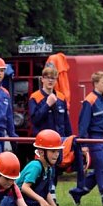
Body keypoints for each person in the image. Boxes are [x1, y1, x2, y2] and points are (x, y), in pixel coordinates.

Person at [27, 63, 73, 198]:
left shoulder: (61, 97)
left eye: (53, 78)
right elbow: (34, 119)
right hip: (42, 142)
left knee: (56, 169)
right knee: (43, 169)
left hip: (59, 141)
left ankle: (51, 195)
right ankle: (43, 195)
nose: (50, 81)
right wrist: (47, 104)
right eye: (47, 78)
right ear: (42, 79)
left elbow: (66, 121)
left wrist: (69, 139)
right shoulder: (35, 97)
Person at [70, 71, 103, 206]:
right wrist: (84, 143)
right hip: (95, 139)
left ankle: (78, 191)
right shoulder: (89, 101)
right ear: (96, 83)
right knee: (102, 167)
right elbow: (83, 124)